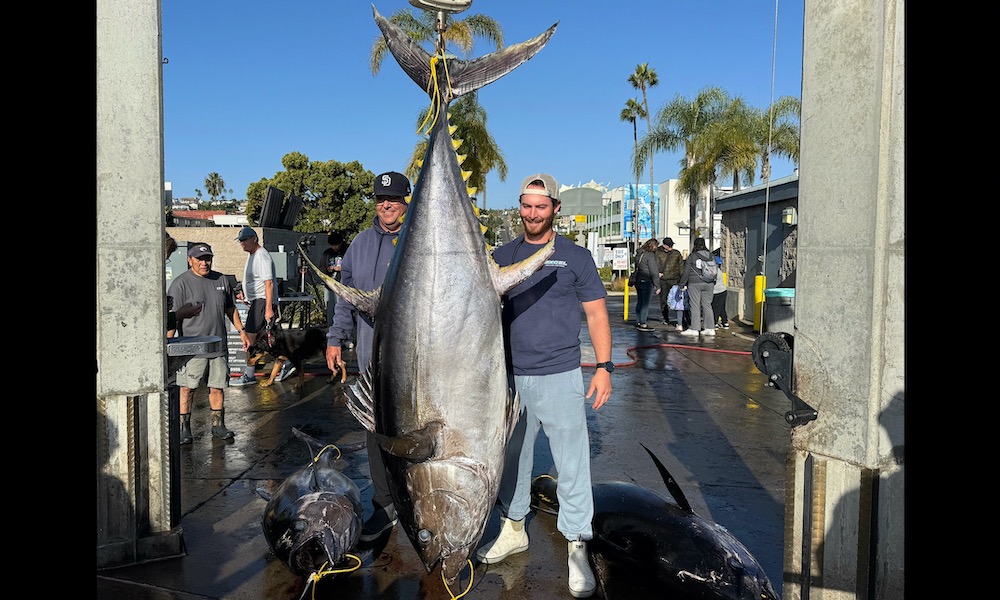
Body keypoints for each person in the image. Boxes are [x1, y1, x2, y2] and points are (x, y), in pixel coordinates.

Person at [477, 173, 612, 599]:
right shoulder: (500, 256)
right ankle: (514, 527)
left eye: (541, 206)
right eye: (526, 205)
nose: (532, 213)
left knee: (571, 463)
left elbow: (595, 314)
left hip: (560, 374)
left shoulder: (575, 257)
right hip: (511, 377)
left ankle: (576, 543)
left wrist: (605, 366)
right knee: (512, 459)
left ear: (556, 208)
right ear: (519, 206)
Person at [325, 170, 411, 543]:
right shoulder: (359, 244)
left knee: (414, 429)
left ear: (407, 201)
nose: (386, 205)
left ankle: (417, 499)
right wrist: (334, 338)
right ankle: (385, 503)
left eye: (392, 199)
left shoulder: (420, 240)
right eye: (380, 199)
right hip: (370, 358)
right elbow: (346, 296)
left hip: (416, 361)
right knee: (375, 430)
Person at [166, 243, 246, 443]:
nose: (204, 262)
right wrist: (168, 343)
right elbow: (172, 317)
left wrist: (241, 331)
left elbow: (230, 308)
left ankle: (218, 425)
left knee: (217, 387)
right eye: (200, 259)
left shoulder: (221, 280)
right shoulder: (180, 283)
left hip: (218, 346)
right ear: (189, 260)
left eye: (208, 258)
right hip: (191, 350)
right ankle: (184, 429)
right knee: (187, 388)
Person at [231, 227, 284, 386]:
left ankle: (249, 374)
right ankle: (286, 361)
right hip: (257, 301)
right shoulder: (253, 256)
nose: (242, 244)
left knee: (250, 338)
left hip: (262, 301)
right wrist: (246, 295)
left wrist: (268, 308)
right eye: (240, 241)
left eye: (245, 240)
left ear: (254, 239)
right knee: (270, 339)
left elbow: (268, 284)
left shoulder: (262, 256)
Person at [678, 237, 716, 337]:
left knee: (695, 305)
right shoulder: (711, 255)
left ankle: (694, 328)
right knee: (707, 305)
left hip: (694, 283)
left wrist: (682, 284)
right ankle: (710, 328)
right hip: (709, 282)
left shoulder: (692, 256)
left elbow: (686, 272)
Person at [320, 231, 349, 328]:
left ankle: (342, 328)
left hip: (342, 284)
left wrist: (343, 268)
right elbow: (321, 267)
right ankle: (330, 327)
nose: (334, 247)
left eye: (336, 245)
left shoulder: (347, 251)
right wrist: (328, 269)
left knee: (340, 307)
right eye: (332, 245)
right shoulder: (327, 253)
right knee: (330, 307)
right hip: (329, 285)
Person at [632, 238, 661, 332]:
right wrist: (657, 285)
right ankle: (643, 323)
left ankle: (638, 321)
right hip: (647, 280)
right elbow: (653, 271)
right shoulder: (650, 256)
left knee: (640, 301)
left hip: (638, 280)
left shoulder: (639, 254)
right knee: (645, 303)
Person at [656, 237, 684, 327]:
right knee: (663, 300)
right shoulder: (657, 253)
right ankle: (666, 318)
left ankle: (681, 319)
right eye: (669, 245)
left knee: (678, 301)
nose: (671, 247)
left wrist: (682, 280)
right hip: (663, 280)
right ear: (664, 245)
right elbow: (655, 265)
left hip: (675, 280)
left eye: (671, 245)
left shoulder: (676, 253)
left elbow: (681, 267)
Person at [711, 255, 730, 329]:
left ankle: (715, 323)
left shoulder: (714, 271)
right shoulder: (719, 271)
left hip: (716, 292)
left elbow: (712, 281)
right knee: (721, 307)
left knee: (715, 308)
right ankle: (725, 322)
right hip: (723, 290)